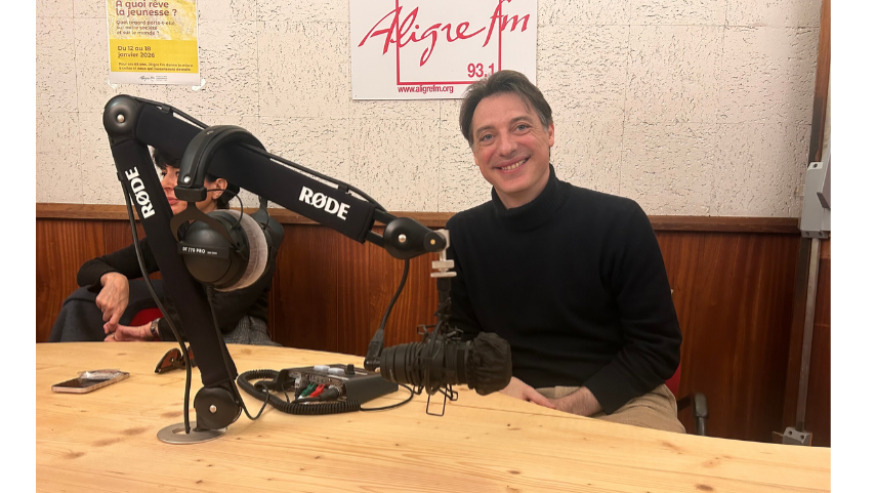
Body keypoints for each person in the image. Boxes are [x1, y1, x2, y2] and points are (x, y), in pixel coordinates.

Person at [447, 70, 684, 432]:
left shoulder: (620, 221)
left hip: (620, 400)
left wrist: (570, 406)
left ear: (550, 132)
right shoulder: (459, 234)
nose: (505, 147)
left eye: (521, 127)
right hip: (505, 397)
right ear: (476, 155)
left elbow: (657, 348)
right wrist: (501, 385)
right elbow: (454, 342)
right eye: (487, 136)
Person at [49, 148, 279, 346]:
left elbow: (221, 317)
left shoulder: (251, 237)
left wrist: (152, 330)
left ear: (217, 188)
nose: (164, 184)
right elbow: (88, 270)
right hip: (184, 342)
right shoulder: (173, 235)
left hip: (240, 344)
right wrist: (114, 278)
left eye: (180, 175)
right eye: (164, 173)